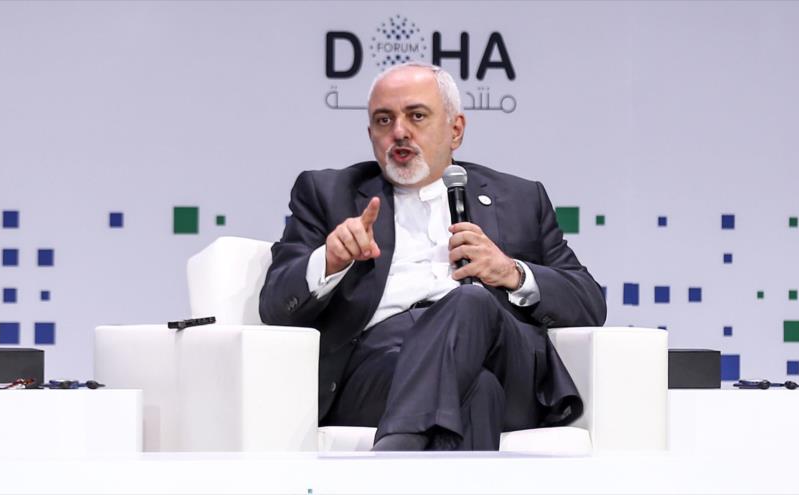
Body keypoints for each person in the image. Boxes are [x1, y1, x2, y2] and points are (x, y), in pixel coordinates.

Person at [259, 62, 606, 451]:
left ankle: (390, 458)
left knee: (471, 301)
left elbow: (589, 303)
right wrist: (330, 261)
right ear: (371, 133)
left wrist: (512, 273)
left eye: (417, 116)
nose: (399, 131)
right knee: (478, 392)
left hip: (506, 359)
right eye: (384, 120)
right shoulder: (328, 193)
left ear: (455, 130)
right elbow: (275, 305)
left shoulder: (520, 198)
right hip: (380, 367)